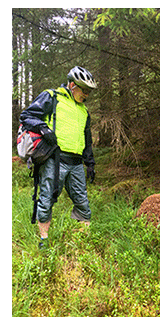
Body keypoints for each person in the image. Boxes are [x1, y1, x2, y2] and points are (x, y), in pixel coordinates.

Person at [19, 66, 97, 248]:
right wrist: (43, 128)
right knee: (46, 199)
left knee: (82, 201)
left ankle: (83, 242)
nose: (86, 94)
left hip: (76, 163)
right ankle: (44, 241)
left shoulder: (84, 111)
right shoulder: (52, 97)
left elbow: (87, 139)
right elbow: (27, 116)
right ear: (72, 85)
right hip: (55, 159)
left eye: (89, 91)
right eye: (84, 90)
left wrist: (90, 163)